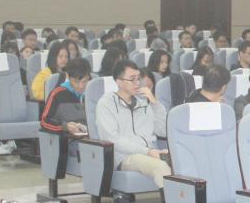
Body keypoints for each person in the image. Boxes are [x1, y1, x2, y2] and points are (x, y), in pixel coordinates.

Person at [95, 60, 171, 188]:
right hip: (124, 156)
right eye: (132, 79)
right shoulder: (106, 104)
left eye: (138, 78)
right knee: (161, 167)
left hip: (148, 152)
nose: (137, 83)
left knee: (181, 161)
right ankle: (171, 202)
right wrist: (148, 151)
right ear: (119, 82)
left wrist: (154, 103)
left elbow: (162, 131)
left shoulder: (143, 104)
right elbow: (112, 139)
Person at [40, 58, 90, 136]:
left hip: (93, 138)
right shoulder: (57, 94)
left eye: (84, 81)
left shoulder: (92, 93)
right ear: (67, 76)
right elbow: (44, 123)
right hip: (70, 139)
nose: (81, 86)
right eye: (76, 81)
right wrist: (65, 126)